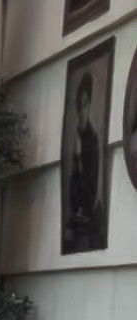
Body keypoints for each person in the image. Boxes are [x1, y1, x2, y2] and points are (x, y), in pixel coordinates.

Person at [65, 69, 105, 250]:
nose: (81, 110)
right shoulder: (76, 135)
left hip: (85, 214)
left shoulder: (92, 138)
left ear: (89, 105)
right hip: (75, 210)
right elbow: (74, 173)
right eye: (79, 105)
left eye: (85, 104)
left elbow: (91, 179)